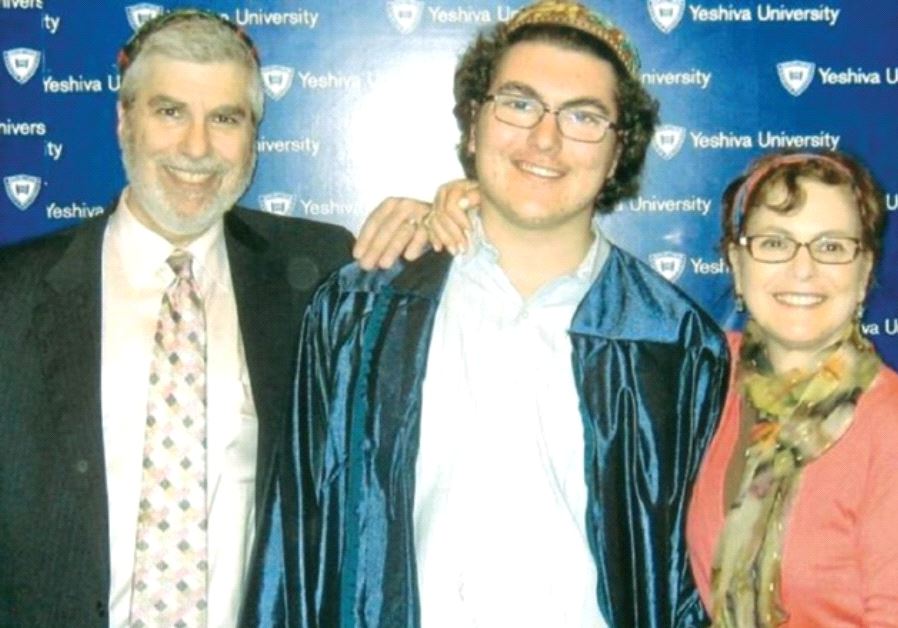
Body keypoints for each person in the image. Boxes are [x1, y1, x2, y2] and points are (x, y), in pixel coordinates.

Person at [252, 1, 729, 626]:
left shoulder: (673, 343)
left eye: (584, 116)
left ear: (618, 155)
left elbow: (688, 582)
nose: (545, 138)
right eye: (520, 103)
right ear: (474, 125)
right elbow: (299, 543)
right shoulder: (362, 313)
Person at [0, 10, 443, 627]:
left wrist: (452, 224)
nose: (197, 148)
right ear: (124, 120)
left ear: (254, 135)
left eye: (226, 119)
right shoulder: (10, 296)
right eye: (170, 111)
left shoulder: (319, 271)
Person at [686, 150, 898, 626]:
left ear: (864, 274)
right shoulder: (705, 375)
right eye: (776, 243)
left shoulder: (890, 428)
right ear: (737, 264)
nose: (803, 269)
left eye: (831, 247)